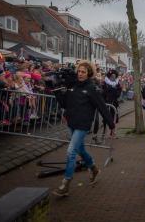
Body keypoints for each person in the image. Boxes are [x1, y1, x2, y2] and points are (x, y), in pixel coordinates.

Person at [52, 61, 115, 197]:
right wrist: (57, 90)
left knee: (71, 152)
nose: (80, 74)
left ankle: (66, 183)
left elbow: (102, 107)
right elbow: (64, 103)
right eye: (79, 71)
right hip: (71, 123)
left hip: (83, 124)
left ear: (88, 74)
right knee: (80, 149)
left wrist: (111, 125)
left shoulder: (92, 88)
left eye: (83, 72)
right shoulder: (72, 85)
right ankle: (93, 168)